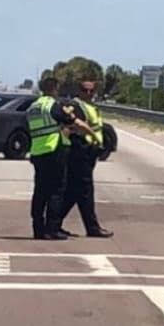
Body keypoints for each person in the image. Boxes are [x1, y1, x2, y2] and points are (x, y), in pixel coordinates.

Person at [27, 77, 97, 240]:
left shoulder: (33, 107)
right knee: (56, 191)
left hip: (37, 152)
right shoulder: (53, 105)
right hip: (54, 150)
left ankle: (38, 229)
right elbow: (75, 123)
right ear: (54, 89)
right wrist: (92, 135)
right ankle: (52, 229)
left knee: (40, 192)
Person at [60, 81, 113, 238]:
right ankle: (92, 228)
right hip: (80, 151)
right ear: (79, 90)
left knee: (74, 192)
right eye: (85, 90)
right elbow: (73, 126)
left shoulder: (91, 107)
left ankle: (53, 222)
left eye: (91, 90)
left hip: (89, 153)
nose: (89, 93)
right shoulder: (77, 106)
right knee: (85, 191)